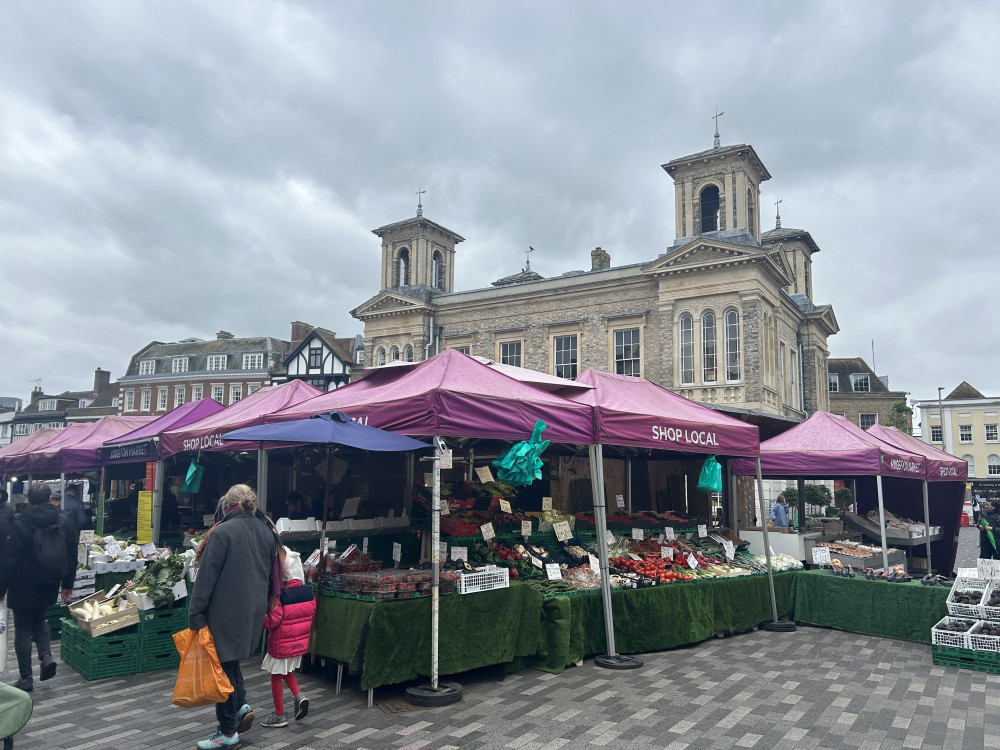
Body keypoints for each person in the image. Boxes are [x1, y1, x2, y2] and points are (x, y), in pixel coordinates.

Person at [188, 485, 278, 749]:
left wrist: (196, 614)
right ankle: (240, 707)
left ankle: (227, 731)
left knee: (222, 671)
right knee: (231, 662)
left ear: (227, 505)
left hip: (225, 612)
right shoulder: (265, 531)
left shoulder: (223, 531)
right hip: (251, 611)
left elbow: (206, 579)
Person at [0, 484, 78, 692]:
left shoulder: (20, 524)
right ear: (50, 498)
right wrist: (67, 585)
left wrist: (1, 589)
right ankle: (46, 656)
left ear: (29, 500)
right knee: (40, 618)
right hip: (49, 581)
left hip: (22, 583)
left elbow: (8, 559)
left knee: (23, 628)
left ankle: (26, 677)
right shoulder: (64, 521)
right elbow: (72, 555)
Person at [259, 547, 315, 728]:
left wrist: (260, 617)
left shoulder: (281, 596)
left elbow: (272, 622)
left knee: (275, 675)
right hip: (298, 643)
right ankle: (300, 696)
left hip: (281, 643)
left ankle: (279, 715)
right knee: (285, 671)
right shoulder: (307, 592)